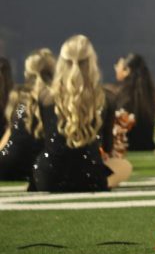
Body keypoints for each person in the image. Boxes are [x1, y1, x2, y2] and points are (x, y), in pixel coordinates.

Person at [30, 35, 132, 191]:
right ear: (92, 63)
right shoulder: (106, 98)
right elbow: (108, 146)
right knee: (125, 166)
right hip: (88, 176)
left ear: (61, 64)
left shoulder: (45, 97)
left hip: (48, 176)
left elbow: (46, 140)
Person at [0, 49, 56, 181]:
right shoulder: (57, 100)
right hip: (38, 164)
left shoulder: (23, 102)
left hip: (9, 163)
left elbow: (11, 133)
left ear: (28, 73)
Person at [111, 53, 155, 152]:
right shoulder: (149, 93)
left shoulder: (123, 95)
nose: (115, 68)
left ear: (127, 70)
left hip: (128, 146)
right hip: (147, 146)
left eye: (118, 66)